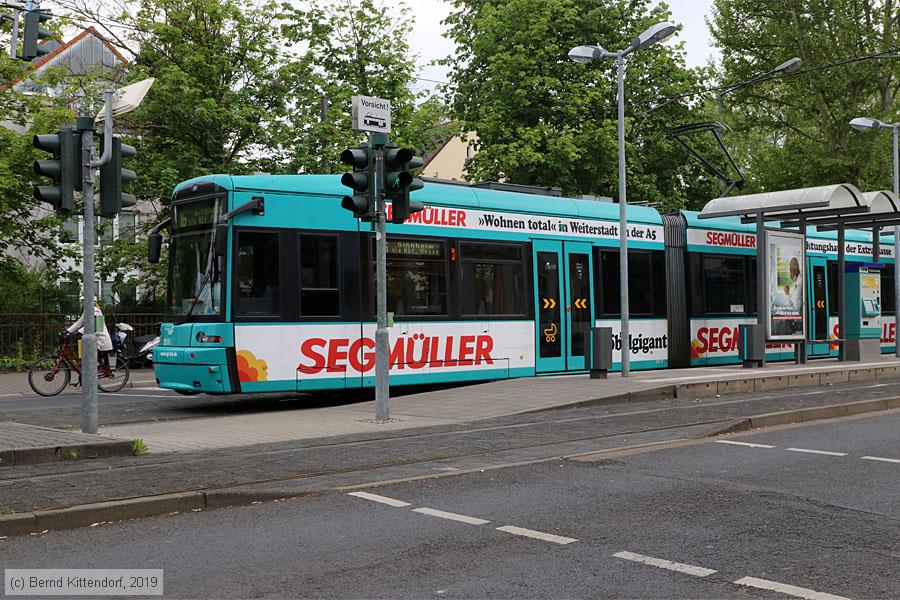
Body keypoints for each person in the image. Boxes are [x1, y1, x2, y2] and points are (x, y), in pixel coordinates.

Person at [67, 301, 114, 369]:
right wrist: (68, 331)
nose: (82, 304)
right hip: (94, 340)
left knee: (89, 360)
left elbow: (95, 324)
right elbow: (79, 323)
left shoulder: (96, 311)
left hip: (101, 341)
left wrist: (79, 331)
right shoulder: (87, 310)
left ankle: (93, 372)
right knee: (86, 356)